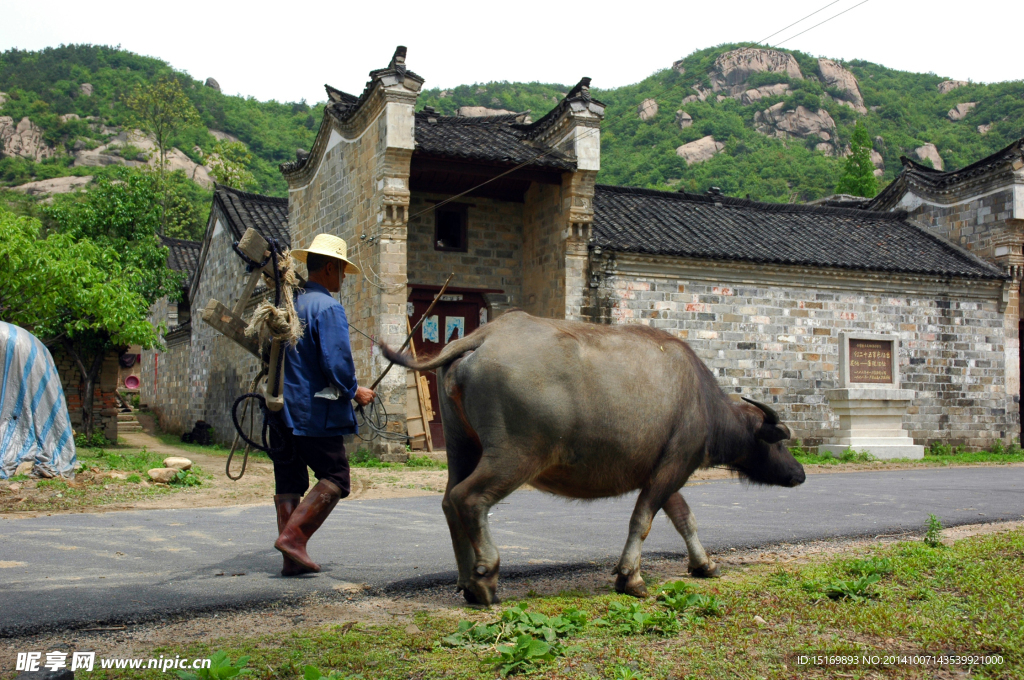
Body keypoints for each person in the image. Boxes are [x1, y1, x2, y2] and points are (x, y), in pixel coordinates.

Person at [270, 233, 375, 576]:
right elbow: (337, 364)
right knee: (336, 475)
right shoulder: (327, 307)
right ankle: (294, 539)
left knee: (289, 480)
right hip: (312, 412)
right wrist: (353, 390)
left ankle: (291, 558)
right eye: (342, 271)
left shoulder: (289, 303)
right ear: (330, 269)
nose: (343, 277)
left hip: (279, 410)